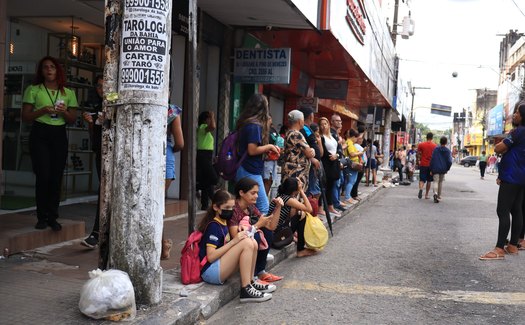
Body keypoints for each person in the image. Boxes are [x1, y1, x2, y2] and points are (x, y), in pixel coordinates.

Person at [22, 56, 78, 231]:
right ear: (41, 71)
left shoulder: (68, 93)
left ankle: (53, 216)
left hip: (58, 134)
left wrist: (63, 112)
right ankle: (42, 217)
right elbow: (26, 117)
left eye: (52, 67)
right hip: (40, 133)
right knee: (43, 175)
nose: (49, 70)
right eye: (45, 67)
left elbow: (72, 119)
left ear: (57, 70)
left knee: (56, 177)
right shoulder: (33, 90)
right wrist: (42, 111)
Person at [198, 190, 276, 302]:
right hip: (210, 272)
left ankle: (251, 281)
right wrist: (234, 241)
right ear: (216, 207)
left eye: (232, 208)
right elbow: (210, 256)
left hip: (219, 266)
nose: (230, 211)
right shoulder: (214, 226)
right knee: (247, 243)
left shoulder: (223, 222)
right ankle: (246, 289)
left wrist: (241, 229)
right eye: (227, 207)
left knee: (252, 242)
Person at [480, 101, 525, 260]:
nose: (515, 115)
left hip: (512, 177)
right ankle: (513, 245)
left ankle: (499, 248)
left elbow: (499, 148)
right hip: (520, 178)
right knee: (517, 209)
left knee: (503, 210)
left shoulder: (517, 132)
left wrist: (502, 144)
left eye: (518, 113)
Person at [229, 177, 284, 282]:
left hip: (246, 244)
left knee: (267, 233)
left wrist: (278, 208)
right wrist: (258, 225)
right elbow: (235, 236)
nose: (257, 196)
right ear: (241, 193)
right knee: (257, 236)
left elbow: (271, 227)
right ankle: (252, 277)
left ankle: (260, 272)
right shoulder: (233, 208)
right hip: (233, 247)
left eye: (257, 193)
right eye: (253, 193)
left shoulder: (251, 207)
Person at [235, 94, 280, 215]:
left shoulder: (246, 123)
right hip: (249, 169)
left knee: (246, 208)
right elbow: (252, 150)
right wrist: (270, 147)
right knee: (263, 209)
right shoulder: (254, 125)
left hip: (246, 168)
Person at [81, 75, 104, 247]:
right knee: (102, 190)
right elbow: (94, 138)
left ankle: (98, 233)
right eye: (98, 86)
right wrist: (91, 123)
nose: (102, 89)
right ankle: (96, 233)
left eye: (105, 85)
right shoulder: (96, 107)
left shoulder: (118, 105)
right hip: (101, 153)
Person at [268, 177, 315, 257]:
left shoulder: (283, 196)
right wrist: (301, 191)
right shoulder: (288, 199)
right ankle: (300, 250)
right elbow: (309, 209)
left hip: (275, 232)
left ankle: (294, 238)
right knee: (302, 216)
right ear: (294, 190)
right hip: (276, 237)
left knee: (300, 213)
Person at [161, 103, 184, 259]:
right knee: (158, 206)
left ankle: (163, 244)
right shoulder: (171, 110)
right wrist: (169, 149)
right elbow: (180, 143)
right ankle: (163, 245)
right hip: (165, 153)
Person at [281, 110, 315, 189]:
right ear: (300, 121)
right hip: (296, 173)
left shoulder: (289, 132)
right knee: (295, 197)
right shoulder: (296, 134)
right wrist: (312, 150)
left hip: (292, 171)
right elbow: (309, 153)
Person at [319, 117, 341, 217]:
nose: (323, 126)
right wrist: (331, 156)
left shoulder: (333, 136)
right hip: (326, 163)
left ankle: (330, 206)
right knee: (323, 186)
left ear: (328, 124)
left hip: (334, 163)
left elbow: (339, 149)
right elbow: (323, 151)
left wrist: (337, 155)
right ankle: (321, 207)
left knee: (331, 185)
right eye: (321, 124)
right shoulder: (320, 137)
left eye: (325, 123)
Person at [298, 107, 322, 200]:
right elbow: (302, 147)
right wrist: (312, 159)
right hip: (309, 163)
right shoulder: (303, 129)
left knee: (314, 189)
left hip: (314, 164)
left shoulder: (308, 128)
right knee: (311, 190)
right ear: (310, 116)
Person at [197, 111, 218, 210]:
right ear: (205, 119)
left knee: (206, 181)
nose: (211, 120)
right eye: (209, 118)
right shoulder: (202, 127)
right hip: (203, 155)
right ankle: (197, 187)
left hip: (207, 155)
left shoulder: (204, 130)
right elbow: (213, 126)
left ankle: (205, 204)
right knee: (213, 178)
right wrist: (212, 115)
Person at [330, 114, 347, 211]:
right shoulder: (332, 133)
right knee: (336, 183)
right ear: (332, 122)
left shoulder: (336, 134)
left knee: (339, 182)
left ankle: (336, 202)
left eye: (340, 121)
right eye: (337, 121)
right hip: (334, 162)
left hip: (338, 161)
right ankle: (334, 203)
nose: (339, 122)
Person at [263, 117, 283, 196]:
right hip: (266, 160)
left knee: (270, 180)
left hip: (273, 159)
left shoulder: (272, 130)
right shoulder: (262, 130)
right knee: (266, 180)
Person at [343, 128, 364, 204]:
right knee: (351, 181)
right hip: (352, 165)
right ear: (354, 137)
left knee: (350, 181)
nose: (357, 140)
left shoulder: (348, 142)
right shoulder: (350, 143)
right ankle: (347, 197)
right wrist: (359, 153)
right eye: (356, 138)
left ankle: (348, 196)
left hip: (350, 164)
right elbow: (352, 154)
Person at [429, 136, 452, 203]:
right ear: (446, 142)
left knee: (435, 181)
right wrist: (447, 168)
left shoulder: (436, 149)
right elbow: (450, 161)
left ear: (440, 141)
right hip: (443, 169)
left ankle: (435, 193)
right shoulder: (448, 151)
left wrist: (431, 168)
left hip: (435, 168)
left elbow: (432, 159)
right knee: (440, 182)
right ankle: (438, 195)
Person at [417, 132, 437, 199]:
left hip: (423, 164)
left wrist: (418, 161)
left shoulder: (421, 144)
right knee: (429, 180)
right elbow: (435, 157)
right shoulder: (435, 146)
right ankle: (426, 195)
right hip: (431, 165)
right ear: (432, 138)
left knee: (422, 179)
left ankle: (421, 189)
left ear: (426, 137)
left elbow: (418, 154)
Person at [350, 127, 366, 201]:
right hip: (358, 164)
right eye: (360, 138)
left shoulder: (357, 146)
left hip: (361, 164)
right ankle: (353, 195)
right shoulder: (356, 146)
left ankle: (354, 194)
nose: (361, 140)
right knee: (355, 181)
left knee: (356, 180)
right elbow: (358, 155)